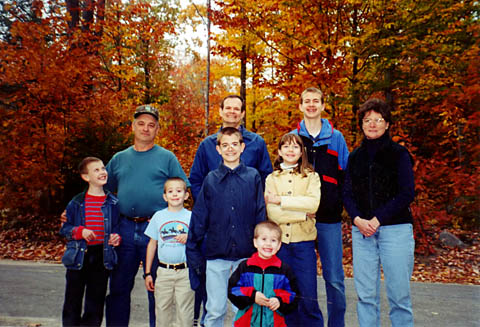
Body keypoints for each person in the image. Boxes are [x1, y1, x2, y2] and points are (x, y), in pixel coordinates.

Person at [189, 95, 272, 325]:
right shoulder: (210, 174)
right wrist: (216, 207)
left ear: (242, 147)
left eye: (235, 145)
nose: (230, 148)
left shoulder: (253, 172)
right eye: (225, 145)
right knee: (214, 309)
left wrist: (260, 243)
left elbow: (259, 210)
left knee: (243, 308)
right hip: (217, 247)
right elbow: (199, 212)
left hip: (245, 248)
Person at [104, 105, 190, 327]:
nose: (145, 128)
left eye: (151, 125)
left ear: (157, 129)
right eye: (141, 123)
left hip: (159, 229)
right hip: (124, 227)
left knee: (158, 288)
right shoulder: (119, 159)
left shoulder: (166, 158)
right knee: (119, 287)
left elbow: (184, 188)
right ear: (132, 126)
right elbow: (101, 189)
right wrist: (75, 208)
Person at [343, 98, 415, 327]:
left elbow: (406, 193)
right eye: (367, 120)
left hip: (395, 230)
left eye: (378, 120)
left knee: (399, 296)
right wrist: (357, 219)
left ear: (387, 124)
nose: (372, 124)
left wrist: (377, 219)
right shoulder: (354, 157)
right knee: (365, 296)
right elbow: (346, 194)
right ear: (362, 124)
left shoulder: (399, 154)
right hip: (362, 232)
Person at [292, 87, 349, 327]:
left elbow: (345, 176)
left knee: (334, 278)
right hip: (299, 219)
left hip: (328, 219)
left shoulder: (336, 138)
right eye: (307, 101)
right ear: (301, 106)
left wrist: (341, 206)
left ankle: (336, 324)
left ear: (323, 105)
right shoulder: (293, 138)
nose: (311, 105)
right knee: (299, 277)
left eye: (316, 101)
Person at [264, 133, 322, 326]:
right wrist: (302, 214)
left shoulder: (311, 176)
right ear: (279, 151)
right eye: (286, 147)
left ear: (301, 151)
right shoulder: (272, 179)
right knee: (283, 296)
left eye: (295, 147)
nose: (290, 150)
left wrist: (281, 200)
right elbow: (273, 214)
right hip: (281, 247)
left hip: (303, 244)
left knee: (308, 297)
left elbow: (313, 204)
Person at [60, 157, 121, 326]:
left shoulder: (113, 203)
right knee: (73, 299)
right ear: (86, 177)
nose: (102, 172)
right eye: (96, 170)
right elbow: (65, 229)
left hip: (102, 255)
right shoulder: (77, 202)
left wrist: (116, 238)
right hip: (79, 255)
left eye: (103, 168)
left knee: (95, 301)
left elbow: (117, 227)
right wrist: (80, 231)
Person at [189, 95, 273, 199]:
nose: (232, 111)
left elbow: (267, 178)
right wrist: (205, 206)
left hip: (248, 209)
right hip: (215, 210)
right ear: (220, 111)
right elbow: (196, 180)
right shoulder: (207, 145)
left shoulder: (256, 142)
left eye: (236, 109)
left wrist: (258, 205)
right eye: (228, 108)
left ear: (242, 114)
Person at [144, 177, 194, 327]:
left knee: (185, 314)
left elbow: (200, 242)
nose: (175, 194)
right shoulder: (159, 216)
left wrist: (189, 237)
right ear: (165, 196)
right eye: (170, 191)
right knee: (162, 311)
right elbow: (152, 244)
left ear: (186, 195)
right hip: (164, 271)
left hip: (185, 271)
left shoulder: (191, 217)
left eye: (179, 191)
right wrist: (147, 273)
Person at [228, 221, 299, 327]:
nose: (268, 244)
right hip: (246, 322)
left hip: (274, 323)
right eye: (264, 239)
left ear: (279, 245)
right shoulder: (245, 266)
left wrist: (279, 301)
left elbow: (293, 295)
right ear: (255, 242)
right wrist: (252, 296)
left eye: (273, 240)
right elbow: (233, 290)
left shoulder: (284, 270)